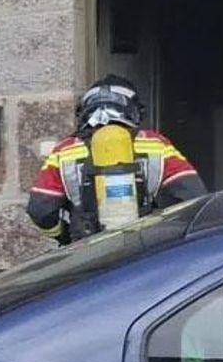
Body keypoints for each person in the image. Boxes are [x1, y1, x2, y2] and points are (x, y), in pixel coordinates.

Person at [27, 74, 207, 244]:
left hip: (85, 252)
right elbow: (194, 196)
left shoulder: (64, 151)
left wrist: (63, 236)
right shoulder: (156, 144)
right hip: (141, 249)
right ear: (133, 108)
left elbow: (40, 210)